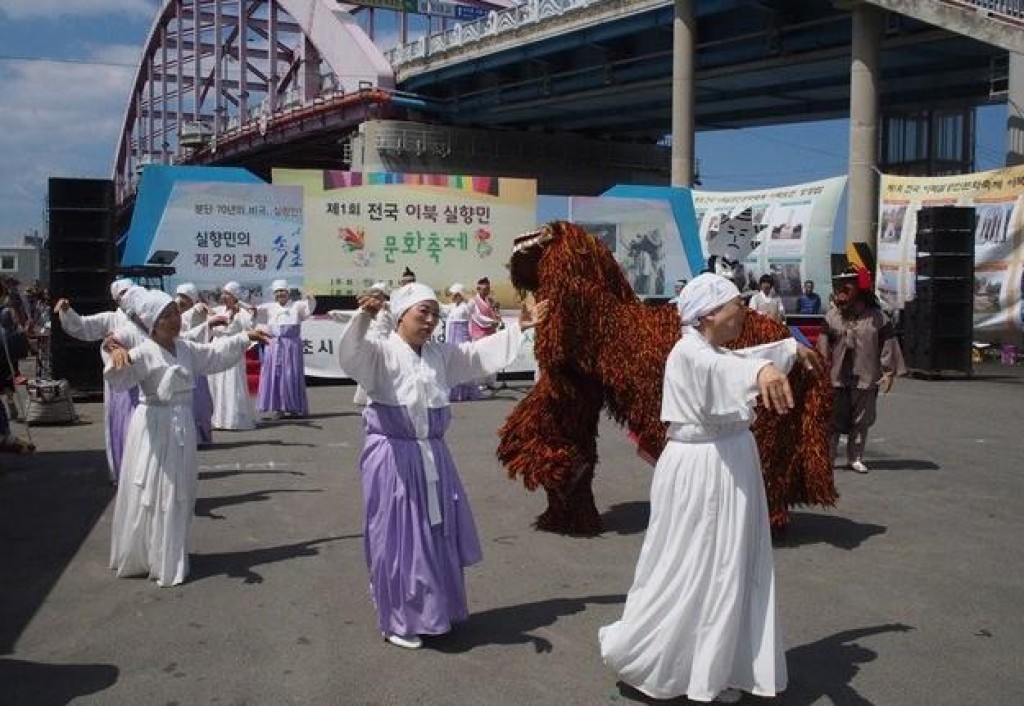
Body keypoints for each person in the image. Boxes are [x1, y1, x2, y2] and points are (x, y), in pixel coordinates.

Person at [599, 272, 821, 704]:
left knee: (727, 565)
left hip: (727, 462)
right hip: (703, 469)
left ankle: (715, 666)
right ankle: (671, 661)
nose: (744, 312)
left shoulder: (708, 349)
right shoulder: (689, 352)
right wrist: (762, 370)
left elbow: (736, 359)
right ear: (709, 314)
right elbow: (724, 368)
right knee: (699, 565)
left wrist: (786, 351)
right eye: (737, 304)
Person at [337, 282, 548, 649]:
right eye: (423, 312)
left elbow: (475, 355)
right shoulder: (380, 353)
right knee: (398, 539)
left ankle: (433, 610)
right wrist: (364, 317)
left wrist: (519, 328)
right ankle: (397, 620)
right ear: (401, 315)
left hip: (433, 456)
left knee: (434, 536)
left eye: (435, 313)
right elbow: (351, 356)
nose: (431, 320)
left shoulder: (439, 355)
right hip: (394, 458)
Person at [105, 289, 268, 586]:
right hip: (154, 427)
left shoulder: (186, 349)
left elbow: (215, 354)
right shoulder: (143, 352)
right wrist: (115, 356)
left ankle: (168, 553)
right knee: (155, 490)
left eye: (175, 314)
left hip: (181, 426)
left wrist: (245, 337)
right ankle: (150, 554)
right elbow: (119, 377)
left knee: (180, 490)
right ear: (152, 323)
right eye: (165, 316)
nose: (174, 320)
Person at [54, 280, 147, 483]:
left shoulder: (149, 319)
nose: (128, 297)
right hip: (121, 384)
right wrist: (68, 311)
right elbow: (83, 326)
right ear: (116, 299)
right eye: (122, 294)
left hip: (146, 382)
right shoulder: (111, 319)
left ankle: (147, 474)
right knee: (124, 427)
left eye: (130, 291)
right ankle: (124, 472)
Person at [816, 267, 905, 474]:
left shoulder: (877, 318)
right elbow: (822, 346)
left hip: (865, 376)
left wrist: (888, 372)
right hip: (837, 377)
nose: (841, 289)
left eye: (847, 284)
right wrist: (820, 369)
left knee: (861, 420)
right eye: (839, 284)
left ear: (859, 287)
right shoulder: (832, 316)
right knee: (832, 420)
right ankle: (828, 458)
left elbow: (888, 344)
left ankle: (855, 457)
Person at [254, 279, 316, 418]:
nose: (280, 294)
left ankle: (294, 407)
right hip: (274, 346)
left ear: (288, 292)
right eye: (277, 292)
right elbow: (252, 311)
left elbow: (310, 308)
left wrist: (310, 298)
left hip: (291, 346)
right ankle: (279, 408)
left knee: (291, 375)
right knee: (276, 376)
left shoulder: (297, 305)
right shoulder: (269, 307)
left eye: (282, 291)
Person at [206, 281, 258, 430]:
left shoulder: (242, 312)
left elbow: (250, 326)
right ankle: (216, 419)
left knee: (231, 382)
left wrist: (250, 313)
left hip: (232, 348)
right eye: (223, 293)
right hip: (216, 347)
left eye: (228, 294)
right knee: (215, 382)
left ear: (235, 296)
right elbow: (207, 323)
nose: (224, 296)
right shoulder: (218, 310)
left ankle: (232, 419)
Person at [175, 283, 215, 445]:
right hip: (179, 363)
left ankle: (200, 436)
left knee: (200, 402)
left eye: (184, 297)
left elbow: (200, 310)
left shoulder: (195, 312)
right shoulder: (174, 315)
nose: (180, 300)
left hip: (195, 363)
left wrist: (202, 306)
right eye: (179, 296)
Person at [350, 281, 392, 406]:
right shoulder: (368, 307)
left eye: (378, 295)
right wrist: (336, 314)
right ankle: (365, 396)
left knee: (383, 370)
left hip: (385, 343)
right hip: (371, 341)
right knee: (368, 369)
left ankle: (383, 395)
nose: (376, 297)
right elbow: (355, 315)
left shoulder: (390, 307)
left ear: (384, 295)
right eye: (373, 294)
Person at [442, 283, 479, 402]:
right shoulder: (452, 307)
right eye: (452, 295)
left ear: (459, 295)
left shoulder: (466, 306)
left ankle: (464, 392)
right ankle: (454, 392)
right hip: (452, 339)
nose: (452, 297)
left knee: (463, 363)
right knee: (452, 364)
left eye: (454, 295)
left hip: (461, 338)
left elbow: (472, 304)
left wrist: (463, 295)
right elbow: (441, 308)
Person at [467, 276, 503, 391]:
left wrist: (497, 317)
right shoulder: (473, 302)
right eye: (484, 289)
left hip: (491, 333)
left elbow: (494, 314)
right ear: (478, 289)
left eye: (488, 289)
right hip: (479, 334)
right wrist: (492, 322)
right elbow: (477, 317)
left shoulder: (490, 301)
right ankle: (480, 382)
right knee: (481, 358)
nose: (487, 291)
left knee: (492, 357)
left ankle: (491, 381)